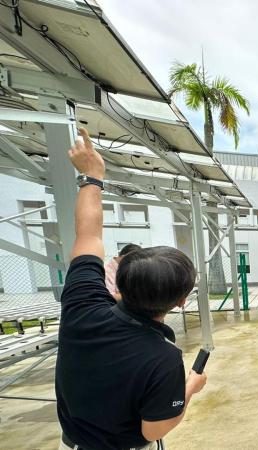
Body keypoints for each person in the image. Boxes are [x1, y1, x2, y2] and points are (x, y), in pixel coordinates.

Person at [56, 128, 207, 450]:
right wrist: (190, 387)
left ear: (120, 282)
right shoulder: (163, 357)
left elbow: (88, 236)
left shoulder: (82, 306)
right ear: (181, 301)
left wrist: (93, 177)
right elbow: (154, 430)